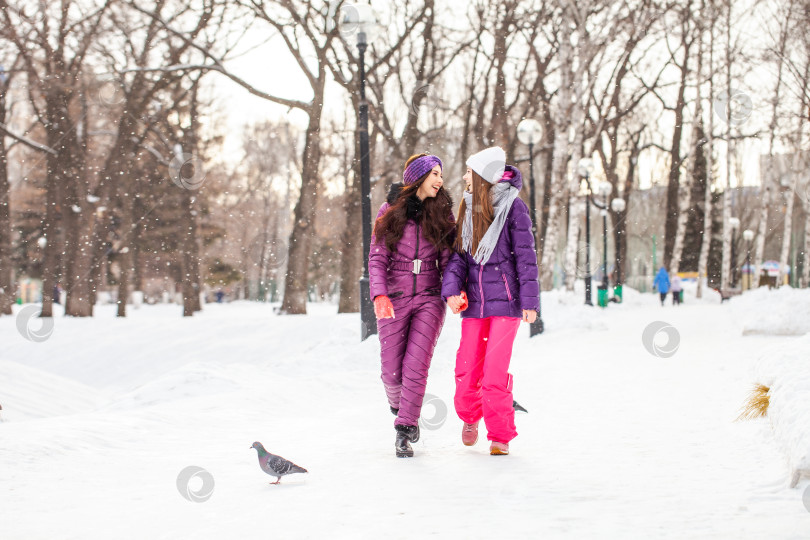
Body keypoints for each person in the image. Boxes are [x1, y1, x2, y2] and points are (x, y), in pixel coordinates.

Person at [441, 146, 539, 456]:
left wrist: (530, 302)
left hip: (506, 304)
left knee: (495, 372)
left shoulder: (513, 208)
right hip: (474, 306)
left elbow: (526, 258)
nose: (464, 177)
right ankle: (470, 417)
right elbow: (459, 257)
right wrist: (452, 291)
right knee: (467, 368)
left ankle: (499, 435)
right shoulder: (467, 209)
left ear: (482, 176)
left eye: (469, 172)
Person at [369, 153, 456, 458]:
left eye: (441, 174)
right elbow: (378, 257)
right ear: (418, 177)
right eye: (434, 173)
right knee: (391, 373)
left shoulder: (442, 212)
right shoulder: (390, 210)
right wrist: (379, 295)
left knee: (416, 366)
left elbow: (449, 260)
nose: (440, 180)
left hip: (430, 297)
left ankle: (405, 428)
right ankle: (399, 403)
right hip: (395, 296)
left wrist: (453, 291)